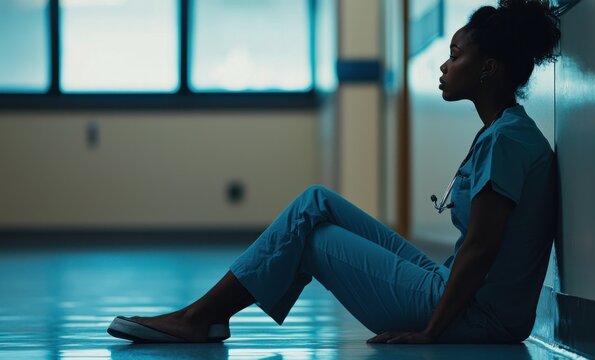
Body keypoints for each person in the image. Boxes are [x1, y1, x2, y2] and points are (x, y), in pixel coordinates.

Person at [107, 0, 560, 345]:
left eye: (455, 56)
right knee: (315, 202)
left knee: (315, 238)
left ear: (488, 69)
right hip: (457, 293)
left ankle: (197, 319)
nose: (443, 66)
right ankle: (206, 316)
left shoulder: (507, 141)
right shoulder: (506, 132)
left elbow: (481, 249)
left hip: (472, 315)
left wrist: (431, 334)